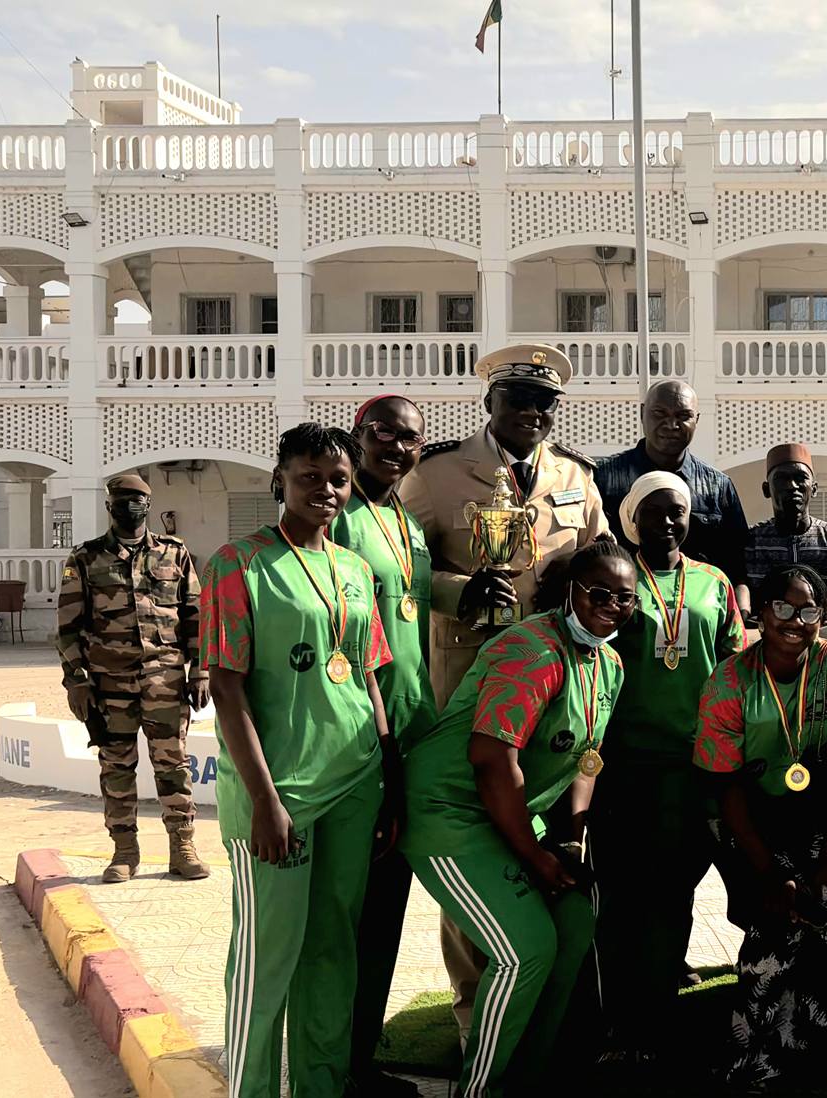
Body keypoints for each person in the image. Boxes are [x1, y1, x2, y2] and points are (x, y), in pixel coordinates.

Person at [401, 342, 610, 1036]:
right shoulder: (437, 477)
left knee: (550, 838)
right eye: (516, 398)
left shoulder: (576, 478)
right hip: (470, 688)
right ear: (488, 402)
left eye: (544, 402)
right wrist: (458, 591)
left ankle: (543, 1016)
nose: (530, 413)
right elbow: (401, 570)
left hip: (557, 693)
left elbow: (606, 569)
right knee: (476, 854)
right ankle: (473, 1018)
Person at [202, 423, 396, 1098]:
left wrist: (387, 779)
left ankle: (322, 1084)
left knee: (333, 951)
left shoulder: (355, 569)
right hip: (277, 793)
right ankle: (251, 1089)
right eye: (310, 476)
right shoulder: (239, 563)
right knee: (267, 956)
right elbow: (227, 688)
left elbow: (369, 675)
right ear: (278, 480)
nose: (327, 490)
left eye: (339, 478)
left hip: (353, 784)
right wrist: (264, 800)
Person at [400, 539, 631, 1096]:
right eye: (598, 592)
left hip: (512, 815)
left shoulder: (609, 663)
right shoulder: (531, 649)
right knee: (524, 947)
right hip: (451, 811)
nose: (611, 606)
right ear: (571, 591)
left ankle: (531, 1075)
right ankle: (480, 1088)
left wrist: (570, 841)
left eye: (624, 598)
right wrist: (533, 857)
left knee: (573, 923)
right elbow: (491, 759)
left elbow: (585, 762)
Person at [694, 564, 827, 1090]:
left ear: (823, 618)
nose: (794, 621)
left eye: (808, 611)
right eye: (782, 607)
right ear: (761, 612)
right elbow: (726, 786)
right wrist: (764, 870)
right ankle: (755, 1060)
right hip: (748, 820)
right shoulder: (730, 679)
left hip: (819, 817)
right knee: (773, 937)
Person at [592, 471, 744, 1064]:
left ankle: (652, 1021)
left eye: (678, 511)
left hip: (694, 764)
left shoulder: (712, 582)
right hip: (622, 761)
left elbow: (733, 664)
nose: (669, 522)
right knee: (621, 893)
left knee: (672, 892)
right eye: (655, 512)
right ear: (632, 518)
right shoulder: (615, 580)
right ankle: (617, 1023)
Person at [331, 395, 437, 1098]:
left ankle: (358, 1057)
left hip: (411, 727)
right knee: (349, 915)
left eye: (411, 440)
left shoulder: (403, 519)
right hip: (361, 737)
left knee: (384, 913)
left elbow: (413, 606)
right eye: (385, 435)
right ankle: (333, 1063)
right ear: (358, 436)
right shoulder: (337, 517)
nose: (398, 449)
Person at [56, 471, 209, 884]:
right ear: (109, 506)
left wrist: (201, 670)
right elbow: (68, 628)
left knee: (173, 765)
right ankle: (124, 851)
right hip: (110, 686)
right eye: (121, 500)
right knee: (116, 769)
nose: (129, 507)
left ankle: (183, 847)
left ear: (149, 505)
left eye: (137, 500)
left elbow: (196, 614)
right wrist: (77, 680)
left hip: (166, 681)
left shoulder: (175, 554)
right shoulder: (85, 560)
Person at [595, 379, 752, 609]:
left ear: (696, 420)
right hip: (623, 616)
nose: (671, 424)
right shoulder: (603, 478)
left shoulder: (718, 486)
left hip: (699, 616)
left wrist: (740, 617)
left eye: (683, 416)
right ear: (642, 414)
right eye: (660, 413)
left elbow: (737, 568)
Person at [744, 443, 827, 623]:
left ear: (814, 488)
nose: (792, 486)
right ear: (766, 490)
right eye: (781, 479)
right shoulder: (750, 542)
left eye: (800, 478)